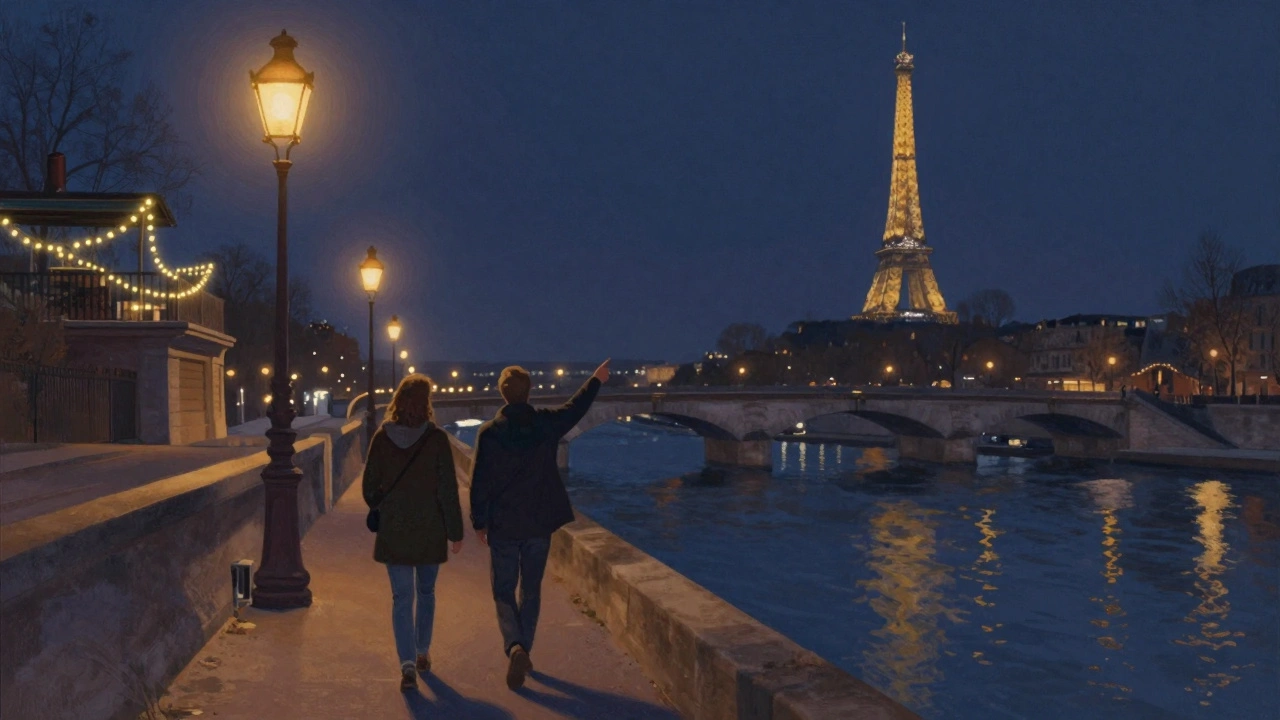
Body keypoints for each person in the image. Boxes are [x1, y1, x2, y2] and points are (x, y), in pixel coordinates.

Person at [470, 359, 611, 690]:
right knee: (531, 590)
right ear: (529, 392)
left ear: (503, 395)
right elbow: (576, 409)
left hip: (504, 525)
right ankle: (524, 648)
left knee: (503, 589)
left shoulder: (489, 434)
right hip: (538, 524)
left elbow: (479, 482)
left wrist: (479, 521)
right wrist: (595, 380)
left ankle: (514, 646)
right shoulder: (545, 425)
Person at [362, 374, 464, 692]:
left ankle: (406, 664)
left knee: (401, 598)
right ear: (426, 403)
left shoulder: (382, 438)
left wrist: (385, 503)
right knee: (427, 593)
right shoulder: (436, 440)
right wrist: (455, 531)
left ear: (398, 401)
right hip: (430, 530)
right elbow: (448, 490)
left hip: (395, 531)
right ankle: (422, 651)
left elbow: (368, 488)